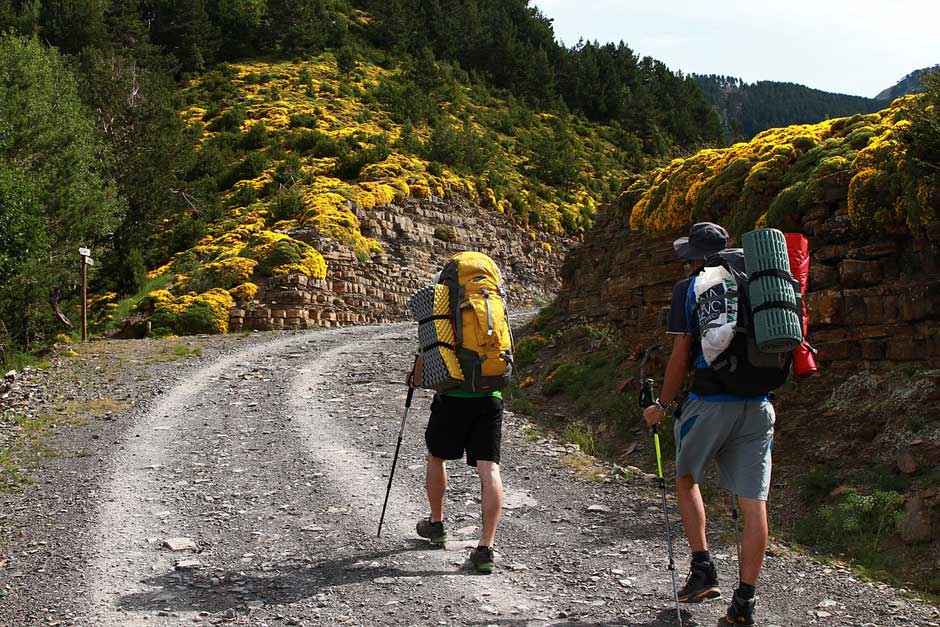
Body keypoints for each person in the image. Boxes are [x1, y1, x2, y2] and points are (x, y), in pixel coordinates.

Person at [642, 222, 775, 626]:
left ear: (696, 257)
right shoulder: (758, 282)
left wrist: (662, 404)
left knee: (686, 479)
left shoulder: (692, 288)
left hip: (709, 402)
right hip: (759, 405)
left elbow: (681, 354)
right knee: (754, 505)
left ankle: (702, 570)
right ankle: (744, 604)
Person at [406, 272, 507, 575]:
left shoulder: (444, 301)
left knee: (437, 456)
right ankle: (485, 547)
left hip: (452, 395)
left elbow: (429, 345)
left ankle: (436, 524)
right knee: (489, 468)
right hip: (491, 394)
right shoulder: (493, 297)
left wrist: (415, 377)